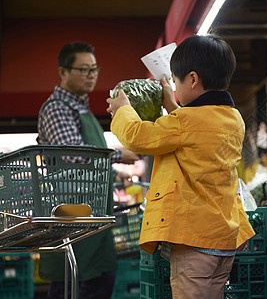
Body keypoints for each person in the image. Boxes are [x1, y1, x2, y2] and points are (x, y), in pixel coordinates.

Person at [106, 34, 255, 298]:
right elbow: (196, 132)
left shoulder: (184, 122)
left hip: (194, 241)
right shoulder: (233, 119)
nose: (173, 87)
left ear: (193, 79)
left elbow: (140, 136)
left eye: (175, 81)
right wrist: (172, 104)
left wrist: (122, 110)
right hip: (223, 238)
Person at [37, 41, 139, 299]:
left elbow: (87, 171)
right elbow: (74, 156)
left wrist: (117, 175)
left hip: (92, 223)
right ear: (63, 72)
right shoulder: (57, 109)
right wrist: (119, 155)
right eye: (84, 69)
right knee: (71, 288)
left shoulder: (82, 108)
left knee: (100, 282)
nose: (91, 75)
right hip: (71, 225)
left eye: (94, 69)